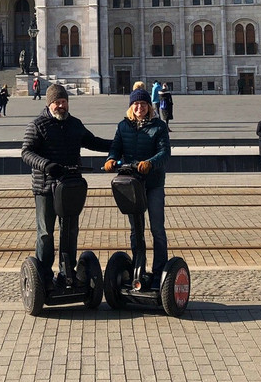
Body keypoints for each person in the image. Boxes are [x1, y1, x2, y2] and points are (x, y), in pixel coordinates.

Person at [21, 84, 110, 288]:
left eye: (64, 102)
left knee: (70, 231)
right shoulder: (37, 125)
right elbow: (26, 152)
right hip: (45, 187)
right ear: (49, 104)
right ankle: (43, 276)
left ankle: (66, 272)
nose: (61, 106)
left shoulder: (74, 124)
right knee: (45, 233)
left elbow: (93, 142)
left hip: (70, 187)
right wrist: (46, 165)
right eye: (57, 102)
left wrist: (119, 145)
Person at [103, 87, 171, 289]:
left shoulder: (158, 126)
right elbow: (116, 147)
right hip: (132, 183)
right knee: (136, 230)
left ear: (149, 107)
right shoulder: (123, 126)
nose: (139, 107)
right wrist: (111, 159)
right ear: (131, 107)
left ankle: (160, 272)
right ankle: (138, 269)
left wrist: (150, 163)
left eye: (143, 104)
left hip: (153, 183)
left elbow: (165, 152)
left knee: (157, 228)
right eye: (136, 104)